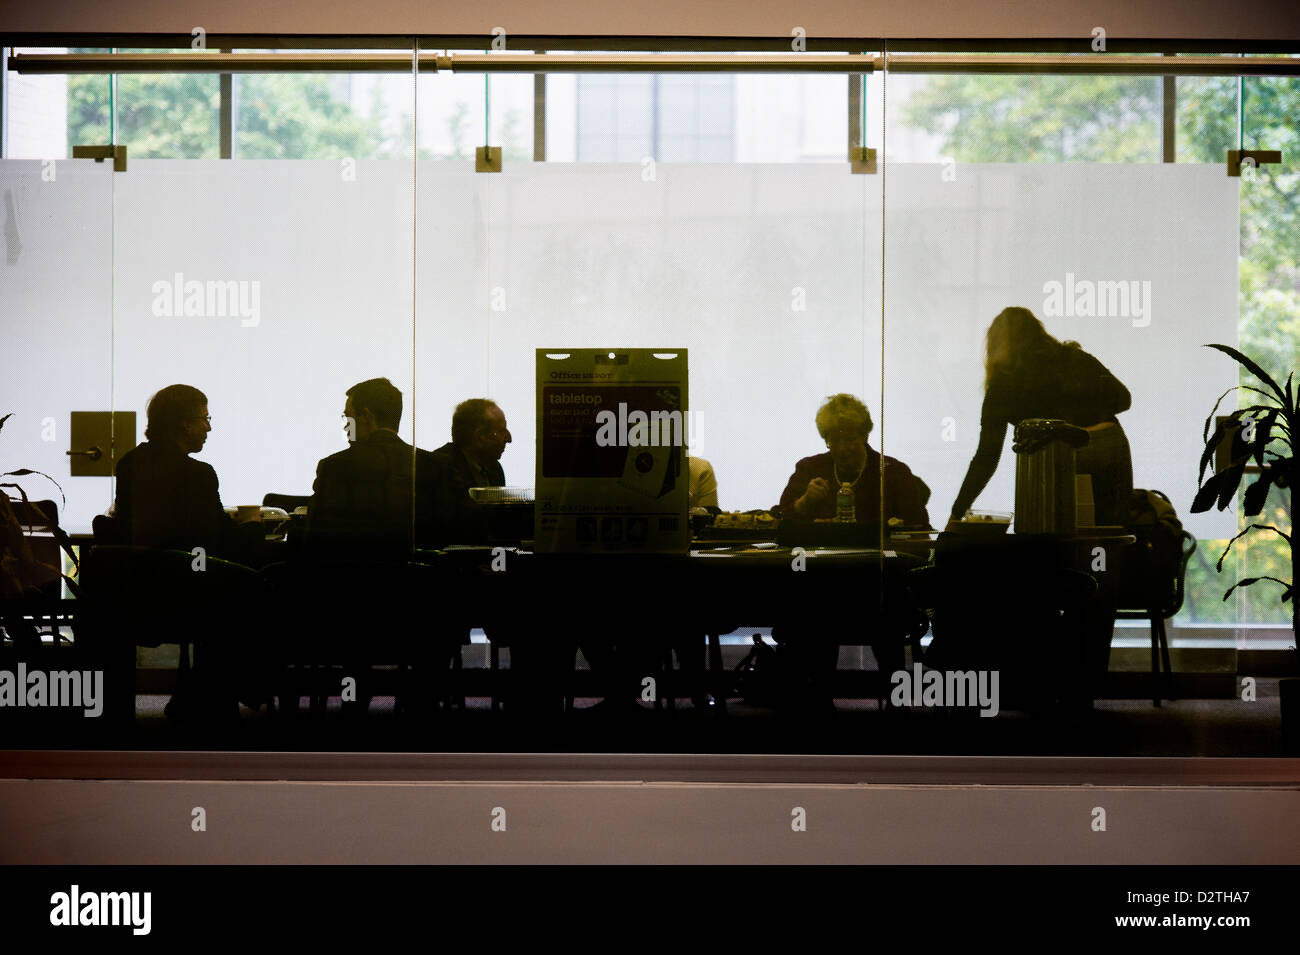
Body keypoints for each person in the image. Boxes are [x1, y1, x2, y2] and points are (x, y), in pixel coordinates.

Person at [949, 307, 1133, 527]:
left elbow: (987, 457)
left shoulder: (1003, 385)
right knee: (1112, 530)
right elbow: (1123, 398)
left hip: (1055, 456)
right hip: (1108, 443)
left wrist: (957, 512)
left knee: (1054, 532)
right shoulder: (1074, 357)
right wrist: (1074, 419)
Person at [113, 384, 256, 559]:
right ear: (186, 424)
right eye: (205, 418)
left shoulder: (128, 463)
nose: (208, 427)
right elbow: (219, 539)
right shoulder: (198, 473)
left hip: (138, 578)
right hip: (191, 576)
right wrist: (254, 526)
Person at [307, 377, 435, 556]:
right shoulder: (434, 464)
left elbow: (316, 535)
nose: (345, 426)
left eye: (348, 417)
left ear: (367, 416)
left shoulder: (335, 466)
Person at [779, 394, 931, 527]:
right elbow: (779, 521)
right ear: (826, 439)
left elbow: (920, 528)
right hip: (821, 558)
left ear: (865, 436)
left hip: (877, 559)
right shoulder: (810, 469)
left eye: (850, 439)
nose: (843, 448)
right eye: (835, 440)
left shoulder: (893, 472)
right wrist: (805, 501)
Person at [426, 398, 510, 547]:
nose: (509, 438)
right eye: (502, 431)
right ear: (480, 436)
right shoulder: (438, 467)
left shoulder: (495, 469)